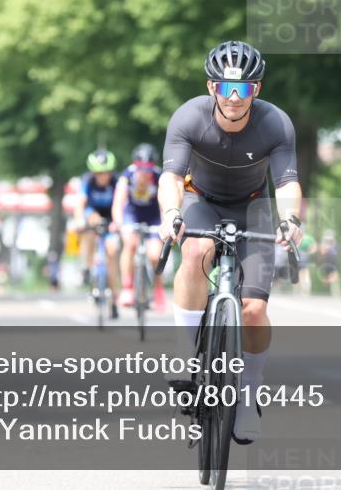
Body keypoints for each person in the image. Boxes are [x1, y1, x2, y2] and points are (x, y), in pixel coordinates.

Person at [158, 40, 302, 445]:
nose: (234, 98)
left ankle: (249, 392)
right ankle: (186, 354)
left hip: (253, 206)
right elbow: (171, 178)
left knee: (253, 309)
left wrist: (291, 219)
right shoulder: (189, 117)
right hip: (200, 200)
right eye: (225, 87)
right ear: (212, 87)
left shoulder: (276, 123)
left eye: (243, 89)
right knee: (195, 251)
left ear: (256, 90)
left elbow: (287, 183)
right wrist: (170, 214)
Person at [112, 143, 166, 313]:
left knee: (155, 255)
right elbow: (118, 202)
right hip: (132, 215)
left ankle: (158, 288)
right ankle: (127, 287)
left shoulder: (159, 176)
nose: (144, 173)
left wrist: (166, 223)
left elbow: (164, 204)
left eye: (148, 169)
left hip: (153, 216)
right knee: (130, 244)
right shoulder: (126, 176)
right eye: (140, 168)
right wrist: (118, 222)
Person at [74, 149, 121, 319]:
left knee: (112, 252)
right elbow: (80, 204)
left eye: (106, 172)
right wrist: (79, 220)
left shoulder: (116, 182)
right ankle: (87, 267)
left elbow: (122, 203)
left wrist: (119, 223)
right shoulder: (87, 181)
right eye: (99, 173)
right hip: (92, 215)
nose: (103, 176)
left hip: (111, 218)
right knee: (88, 232)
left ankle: (114, 299)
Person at [318, 229, 341, 297]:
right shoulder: (325, 245)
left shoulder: (336, 245)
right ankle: (335, 293)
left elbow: (339, 254)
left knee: (334, 279)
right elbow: (322, 254)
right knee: (332, 279)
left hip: (334, 264)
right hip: (327, 264)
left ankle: (336, 294)